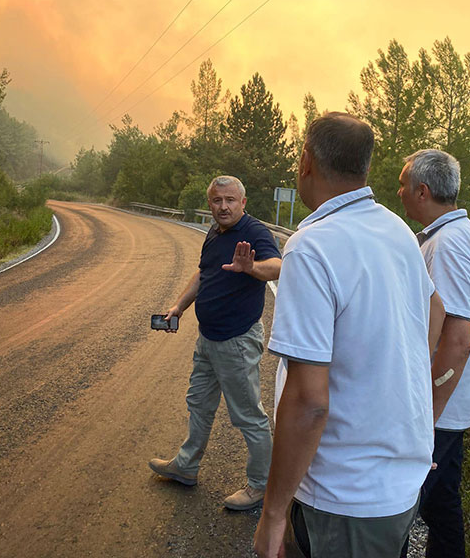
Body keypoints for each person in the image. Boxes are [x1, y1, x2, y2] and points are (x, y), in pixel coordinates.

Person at [254, 113, 441, 558]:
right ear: (365, 167)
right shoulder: (397, 230)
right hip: (398, 482)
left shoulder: (312, 246)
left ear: (305, 162)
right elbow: (434, 310)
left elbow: (308, 400)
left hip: (343, 496)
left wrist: (273, 512)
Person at [149, 175, 282, 510]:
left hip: (236, 340)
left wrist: (250, 267)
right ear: (210, 202)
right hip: (208, 338)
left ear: (243, 203)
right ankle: (186, 465)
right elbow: (202, 273)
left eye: (230, 200)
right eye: (216, 200)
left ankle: (261, 485)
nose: (223, 206)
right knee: (199, 404)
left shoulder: (253, 233)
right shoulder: (214, 232)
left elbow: (277, 266)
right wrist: (179, 306)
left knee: (249, 415)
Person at [397, 149, 470, 558]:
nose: (398, 191)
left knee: (399, 511)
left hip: (439, 409)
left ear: (422, 191)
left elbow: (458, 340)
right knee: (441, 507)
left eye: (403, 185)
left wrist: (425, 419)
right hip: (451, 404)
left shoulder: (450, 245)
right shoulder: (456, 236)